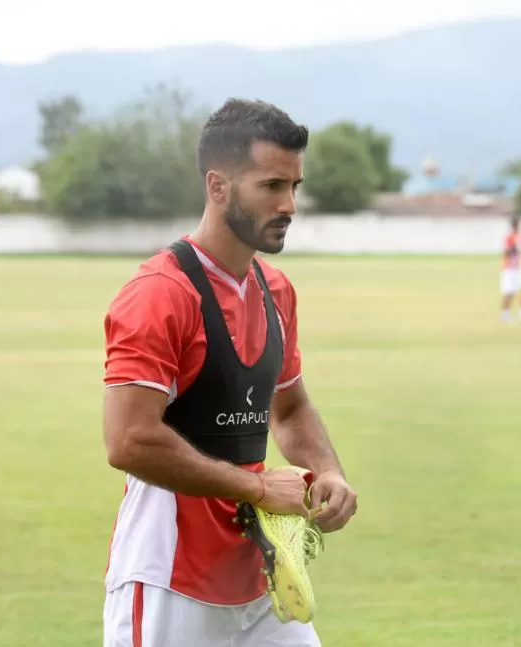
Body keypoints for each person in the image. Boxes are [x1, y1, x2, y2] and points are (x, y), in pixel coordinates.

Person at [100, 98, 357, 647]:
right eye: (271, 186)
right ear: (218, 187)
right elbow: (128, 440)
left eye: (295, 186)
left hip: (261, 576)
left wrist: (328, 472)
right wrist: (259, 487)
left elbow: (289, 407)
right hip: (171, 577)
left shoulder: (276, 290)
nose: (289, 204)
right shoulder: (160, 294)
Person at [500, 215, 521, 322]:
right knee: (507, 291)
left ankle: (508, 313)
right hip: (509, 267)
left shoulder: (517, 237)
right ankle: (505, 314)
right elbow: (506, 252)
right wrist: (514, 249)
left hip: (515, 267)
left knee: (512, 291)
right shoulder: (509, 237)